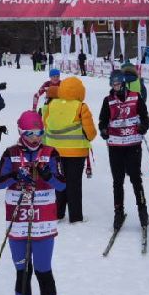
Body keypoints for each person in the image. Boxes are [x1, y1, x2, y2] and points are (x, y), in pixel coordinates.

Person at [0, 110, 66, 295]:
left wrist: (47, 175)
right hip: (19, 221)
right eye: (30, 133)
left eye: (39, 133)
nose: (35, 138)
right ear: (21, 132)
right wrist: (15, 175)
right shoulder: (12, 153)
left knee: (43, 271)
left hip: (43, 221)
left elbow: (63, 184)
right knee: (22, 272)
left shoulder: (50, 153)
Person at [98, 70, 149, 230]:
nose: (116, 87)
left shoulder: (135, 97)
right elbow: (102, 121)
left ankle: (142, 210)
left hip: (133, 144)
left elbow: (145, 117)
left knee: (135, 178)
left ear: (123, 83)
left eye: (118, 84)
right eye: (113, 84)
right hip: (116, 146)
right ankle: (118, 212)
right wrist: (104, 131)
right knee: (117, 181)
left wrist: (143, 127)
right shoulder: (108, 100)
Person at [42, 76, 96, 223]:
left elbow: (45, 124)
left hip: (55, 152)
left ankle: (58, 213)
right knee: (74, 184)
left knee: (59, 182)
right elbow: (91, 133)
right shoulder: (81, 107)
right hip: (76, 152)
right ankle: (76, 216)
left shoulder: (52, 105)